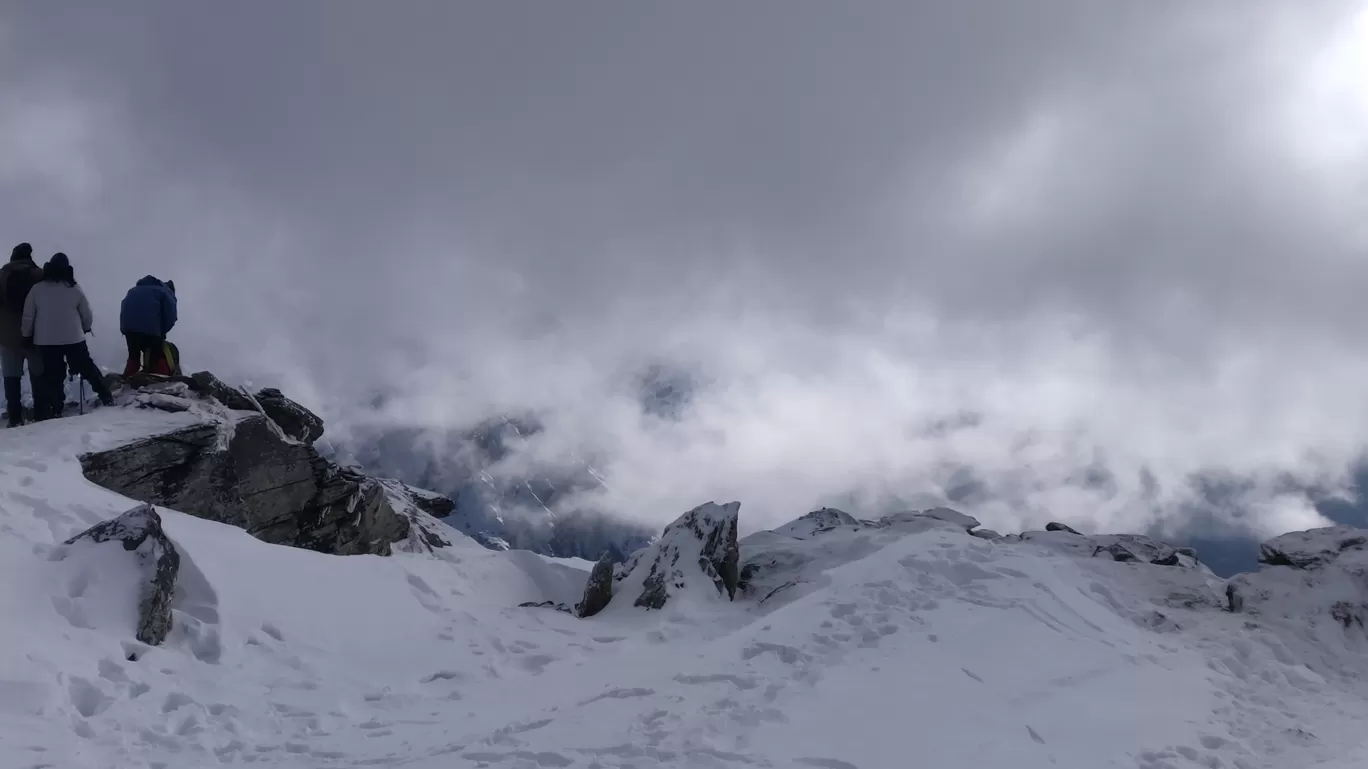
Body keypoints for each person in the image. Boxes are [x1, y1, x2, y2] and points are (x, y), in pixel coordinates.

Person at [21, 253, 114, 418]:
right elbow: (86, 313)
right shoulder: (74, 288)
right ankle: (105, 395)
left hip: (46, 341)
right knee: (86, 366)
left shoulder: (37, 289)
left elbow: (28, 316)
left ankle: (56, 408)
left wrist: (26, 334)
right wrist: (85, 328)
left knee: (54, 374)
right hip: (74, 338)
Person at [0, 244, 47, 426]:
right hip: (35, 334)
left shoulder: (2, 275)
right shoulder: (39, 275)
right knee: (37, 373)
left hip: (7, 334)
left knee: (11, 376)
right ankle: (42, 414)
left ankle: (14, 418)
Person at [119, 275, 177, 377]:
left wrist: (125, 329)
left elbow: (124, 309)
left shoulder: (133, 290)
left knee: (133, 356)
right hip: (150, 329)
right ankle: (158, 378)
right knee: (157, 355)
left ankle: (127, 379)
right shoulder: (166, 292)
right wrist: (162, 332)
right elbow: (171, 317)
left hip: (129, 328)